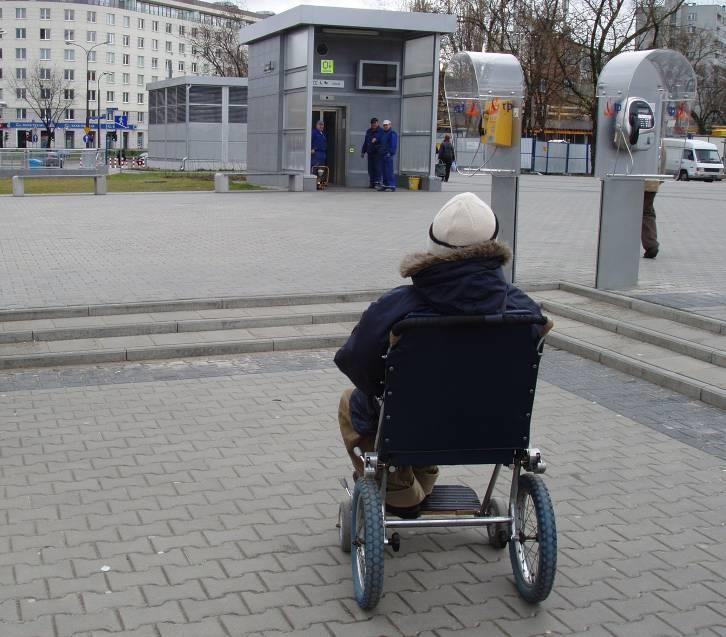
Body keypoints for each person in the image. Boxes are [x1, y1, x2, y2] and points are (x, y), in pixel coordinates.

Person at [334, 192, 552, 517]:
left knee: (355, 401)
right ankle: (421, 479)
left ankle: (400, 489)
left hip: (414, 422)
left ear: (433, 244)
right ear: (493, 246)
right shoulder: (525, 310)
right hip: (493, 428)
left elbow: (356, 363)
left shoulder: (398, 308)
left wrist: (383, 385)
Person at [361, 117, 383, 189]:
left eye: (375, 123)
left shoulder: (381, 131)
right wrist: (363, 151)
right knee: (370, 169)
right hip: (370, 153)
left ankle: (377, 183)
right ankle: (372, 182)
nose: (374, 124)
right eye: (372, 123)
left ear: (377, 123)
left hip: (377, 153)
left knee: (377, 168)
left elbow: (382, 140)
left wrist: (376, 139)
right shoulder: (368, 131)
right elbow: (366, 142)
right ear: (371, 124)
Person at [377, 119, 398, 192]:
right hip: (382, 155)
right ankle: (385, 185)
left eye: (387, 125)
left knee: (389, 170)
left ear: (390, 125)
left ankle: (391, 185)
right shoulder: (383, 133)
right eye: (384, 125)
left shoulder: (392, 133)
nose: (385, 126)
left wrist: (390, 153)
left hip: (388, 155)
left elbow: (393, 145)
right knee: (383, 171)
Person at [642, 179, 661, 259]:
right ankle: (651, 244)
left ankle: (622, 244)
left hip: (632, 181)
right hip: (651, 182)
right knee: (647, 212)